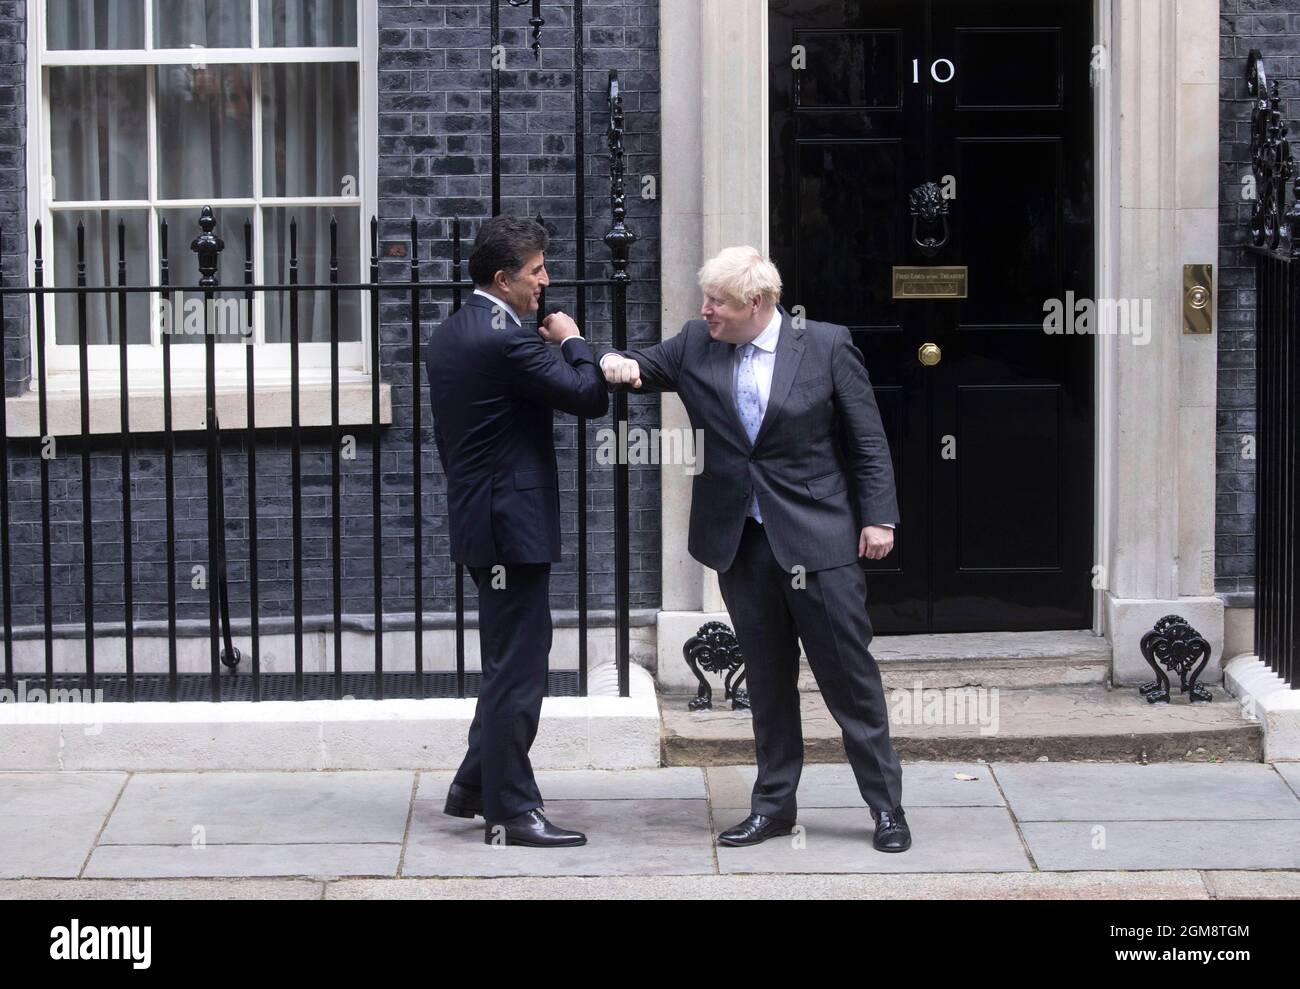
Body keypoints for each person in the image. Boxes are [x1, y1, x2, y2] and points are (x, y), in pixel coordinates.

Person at [600, 247, 911, 852]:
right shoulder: (697, 343)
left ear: (759, 304)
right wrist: (584, 347)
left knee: (849, 682)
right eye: (706, 299)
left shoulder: (823, 344)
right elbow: (637, 368)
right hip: (744, 543)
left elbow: (868, 439)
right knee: (766, 683)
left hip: (818, 541)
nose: (705, 309)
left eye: (718, 302)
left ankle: (886, 809)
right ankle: (773, 807)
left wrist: (879, 518)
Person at [425, 215, 607, 847]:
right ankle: (511, 809)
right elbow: (588, 397)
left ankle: (474, 786)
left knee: (509, 658)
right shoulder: (508, 340)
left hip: (482, 517)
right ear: (503, 279)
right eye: (536, 271)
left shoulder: (451, 332)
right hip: (511, 526)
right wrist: (573, 339)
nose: (545, 282)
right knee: (520, 668)